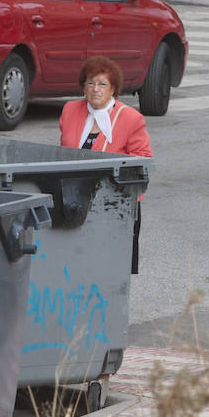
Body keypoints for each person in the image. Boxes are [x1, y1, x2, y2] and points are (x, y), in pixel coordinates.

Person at [60, 56, 152, 272]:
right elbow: (62, 152)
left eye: (102, 84)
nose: (95, 89)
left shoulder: (131, 118)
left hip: (114, 204)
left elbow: (143, 161)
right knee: (74, 262)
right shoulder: (70, 110)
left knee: (109, 268)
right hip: (75, 201)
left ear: (113, 90)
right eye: (90, 83)